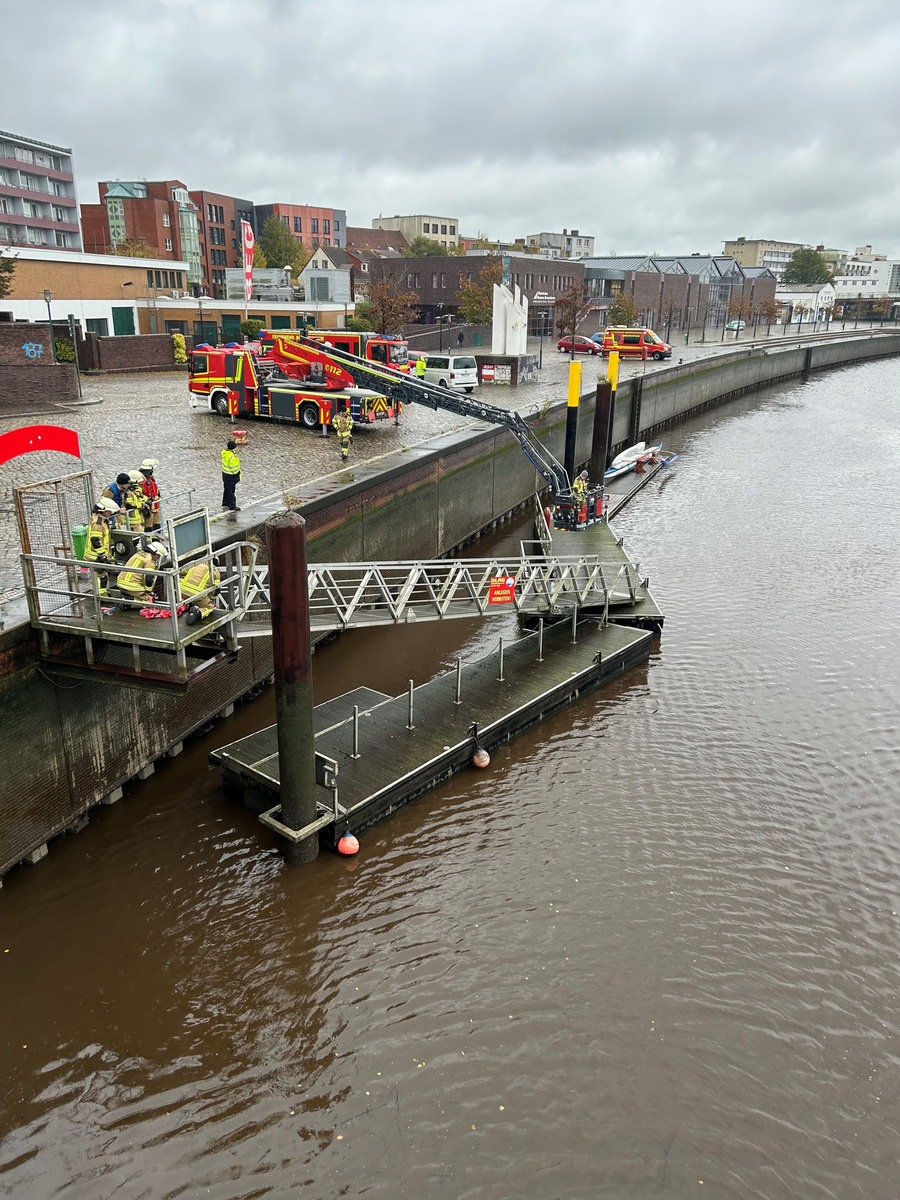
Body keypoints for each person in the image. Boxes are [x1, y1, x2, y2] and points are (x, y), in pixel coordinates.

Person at [82, 497, 119, 593]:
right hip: (96, 555)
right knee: (100, 576)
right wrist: (102, 554)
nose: (110, 513)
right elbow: (95, 540)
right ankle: (99, 595)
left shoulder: (100, 518)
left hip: (97, 554)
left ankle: (100, 594)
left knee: (101, 575)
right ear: (103, 510)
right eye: (109, 511)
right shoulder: (98, 523)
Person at [115, 540, 166, 606]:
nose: (158, 558)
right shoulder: (150, 560)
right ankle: (126, 601)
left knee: (142, 596)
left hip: (121, 582)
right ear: (154, 553)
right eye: (158, 555)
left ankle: (128, 598)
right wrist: (148, 591)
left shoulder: (139, 553)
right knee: (149, 601)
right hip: (131, 586)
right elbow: (149, 578)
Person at [180, 558, 221, 626]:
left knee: (190, 597)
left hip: (182, 591)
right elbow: (215, 590)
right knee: (211, 607)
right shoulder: (216, 572)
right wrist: (210, 599)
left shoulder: (195, 563)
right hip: (198, 595)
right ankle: (197, 613)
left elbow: (181, 571)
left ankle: (190, 606)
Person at [139, 459, 161, 532]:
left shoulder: (150, 479)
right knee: (148, 528)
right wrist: (147, 501)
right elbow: (139, 494)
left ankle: (157, 540)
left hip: (155, 507)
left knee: (157, 527)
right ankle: (147, 542)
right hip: (148, 508)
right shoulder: (141, 480)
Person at [221, 439, 241, 511]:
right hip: (231, 476)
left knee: (226, 489)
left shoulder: (225, 453)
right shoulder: (232, 457)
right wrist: (237, 474)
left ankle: (225, 502)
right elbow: (234, 469)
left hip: (225, 474)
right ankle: (232, 505)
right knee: (231, 491)